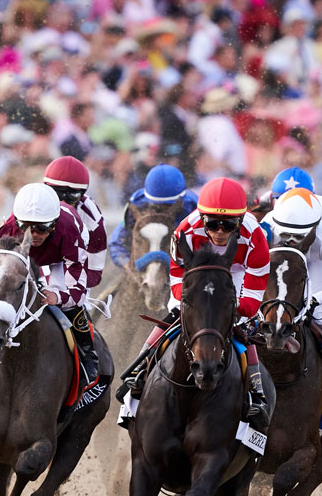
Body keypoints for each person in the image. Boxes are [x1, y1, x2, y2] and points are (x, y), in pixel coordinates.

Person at [116, 177, 271, 425]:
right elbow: (177, 273)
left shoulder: (256, 236)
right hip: (196, 273)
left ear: (241, 220)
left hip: (237, 272)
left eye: (228, 225)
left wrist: (236, 307)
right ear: (202, 218)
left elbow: (255, 287)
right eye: (213, 223)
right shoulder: (185, 231)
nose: (220, 231)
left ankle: (257, 394)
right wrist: (188, 300)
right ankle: (138, 372)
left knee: (241, 327)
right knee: (175, 316)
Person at [0, 182, 99, 385]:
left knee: (66, 301)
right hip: (23, 257)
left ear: (53, 224)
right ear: (16, 222)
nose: (32, 235)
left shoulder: (69, 231)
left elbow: (78, 291)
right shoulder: (6, 231)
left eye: (41, 228)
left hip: (61, 258)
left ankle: (88, 354)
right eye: (25, 227)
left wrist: (58, 296)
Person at [263, 187, 322, 404]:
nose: (289, 241)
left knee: (319, 313)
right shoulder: (267, 225)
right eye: (284, 235)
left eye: (296, 237)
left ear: (312, 229)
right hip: (289, 250)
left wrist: (313, 300)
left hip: (316, 254)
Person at [108, 164, 198, 268]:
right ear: (148, 201)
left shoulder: (194, 211)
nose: (165, 212)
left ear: (182, 202)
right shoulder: (136, 206)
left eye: (170, 206)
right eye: (158, 207)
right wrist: (127, 265)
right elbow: (116, 243)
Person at [42, 156, 107, 292]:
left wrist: (64, 289)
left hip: (73, 279)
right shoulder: (32, 204)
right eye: (57, 194)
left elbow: (95, 274)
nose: (64, 202)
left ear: (82, 194)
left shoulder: (93, 221)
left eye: (72, 196)